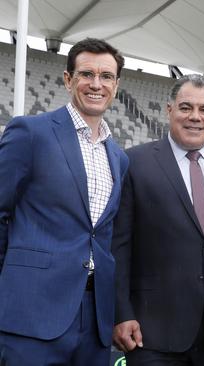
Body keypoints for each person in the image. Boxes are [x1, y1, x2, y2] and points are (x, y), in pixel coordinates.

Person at [0, 38, 128, 365]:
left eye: (106, 76)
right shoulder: (31, 132)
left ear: (116, 84)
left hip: (94, 317)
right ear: (68, 79)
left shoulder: (118, 157)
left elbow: (104, 235)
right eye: (87, 74)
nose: (96, 84)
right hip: (31, 311)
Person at [112, 74, 204, 365]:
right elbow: (118, 246)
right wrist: (121, 313)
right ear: (169, 110)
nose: (195, 117)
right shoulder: (133, 163)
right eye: (185, 107)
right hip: (151, 332)